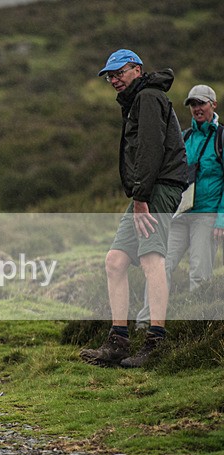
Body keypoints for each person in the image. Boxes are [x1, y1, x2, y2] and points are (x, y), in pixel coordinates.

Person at [80, 49, 187, 368]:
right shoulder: (136, 100)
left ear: (137, 70)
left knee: (152, 258)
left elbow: (152, 148)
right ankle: (119, 341)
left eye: (119, 73)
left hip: (158, 188)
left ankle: (156, 341)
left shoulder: (149, 97)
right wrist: (139, 195)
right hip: (146, 190)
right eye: (109, 76)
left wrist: (141, 198)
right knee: (114, 261)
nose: (113, 79)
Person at [136, 85, 224, 327]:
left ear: (213, 105)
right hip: (179, 215)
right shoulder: (184, 137)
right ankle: (146, 324)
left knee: (199, 272)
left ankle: (199, 328)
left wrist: (221, 218)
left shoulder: (221, 138)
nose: (197, 108)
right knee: (159, 266)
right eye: (193, 104)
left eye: (201, 103)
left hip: (208, 215)